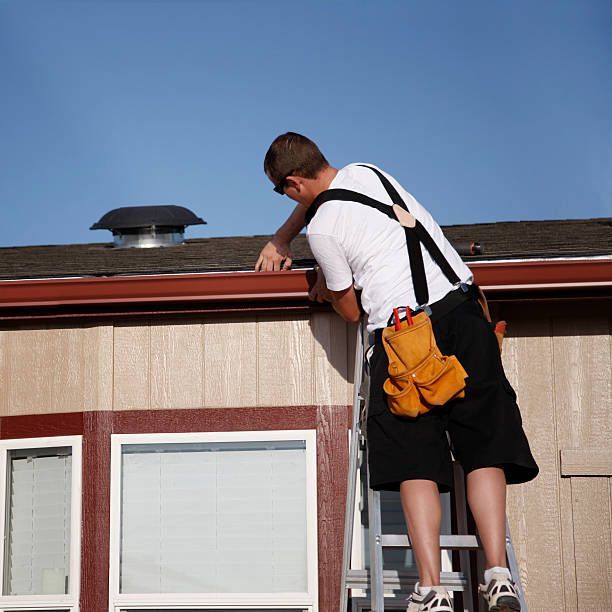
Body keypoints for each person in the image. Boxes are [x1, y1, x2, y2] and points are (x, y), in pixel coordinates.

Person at [256, 132, 538, 612]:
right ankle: (498, 575)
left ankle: (432, 588)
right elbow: (323, 197)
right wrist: (283, 235)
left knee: (415, 459)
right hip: (466, 313)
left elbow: (348, 310)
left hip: (406, 336)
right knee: (483, 446)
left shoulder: (323, 231)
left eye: (281, 190)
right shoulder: (369, 172)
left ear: (292, 183)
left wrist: (324, 284)